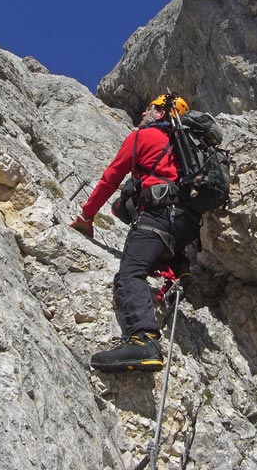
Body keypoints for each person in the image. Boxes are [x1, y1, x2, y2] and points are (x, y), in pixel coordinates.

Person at [70, 94, 201, 373]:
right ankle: (178, 265)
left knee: (130, 274)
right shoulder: (187, 145)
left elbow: (111, 177)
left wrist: (87, 216)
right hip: (187, 224)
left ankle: (144, 340)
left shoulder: (143, 137)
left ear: (158, 112)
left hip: (157, 215)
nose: (143, 112)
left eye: (148, 108)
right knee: (125, 204)